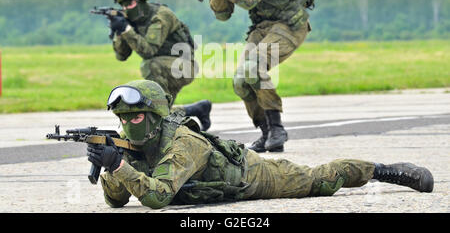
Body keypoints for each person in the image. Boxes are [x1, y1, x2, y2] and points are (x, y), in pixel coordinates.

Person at [87, 80, 434, 209]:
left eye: (135, 118)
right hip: (212, 189)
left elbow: (157, 197)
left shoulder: (183, 142)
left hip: (250, 176)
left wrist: (118, 165)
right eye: (123, 119)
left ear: (155, 115)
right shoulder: (136, 143)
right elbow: (116, 202)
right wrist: (111, 165)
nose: (128, 125)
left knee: (320, 181)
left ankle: (385, 170)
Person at [191, 0, 316, 152]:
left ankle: (277, 128)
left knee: (254, 66)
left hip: (290, 23)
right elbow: (222, 15)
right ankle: (266, 132)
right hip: (262, 27)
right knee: (241, 81)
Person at [109, 0, 212, 130]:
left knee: (149, 66)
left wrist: (127, 29)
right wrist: (119, 32)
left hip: (183, 66)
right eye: (123, 6)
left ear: (141, 0)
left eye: (130, 3)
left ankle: (160, 118)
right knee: (162, 114)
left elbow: (148, 50)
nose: (126, 9)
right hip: (164, 68)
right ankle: (196, 109)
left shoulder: (161, 15)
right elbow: (121, 56)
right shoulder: (132, 20)